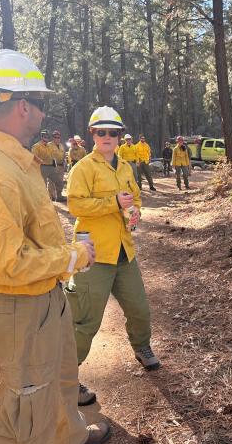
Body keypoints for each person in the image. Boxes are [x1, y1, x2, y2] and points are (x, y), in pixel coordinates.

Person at [0, 49, 111, 444]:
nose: (44, 114)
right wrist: (72, 258)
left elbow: (30, 234)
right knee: (25, 406)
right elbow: (4, 264)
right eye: (40, 104)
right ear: (23, 106)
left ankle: (70, 439)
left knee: (60, 379)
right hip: (20, 306)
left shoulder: (15, 160)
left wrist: (65, 250)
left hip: (45, 296)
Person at [66, 105, 161, 406]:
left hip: (124, 252)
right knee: (85, 322)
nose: (107, 136)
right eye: (101, 132)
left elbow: (136, 200)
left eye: (113, 132)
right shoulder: (82, 168)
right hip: (93, 255)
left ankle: (142, 347)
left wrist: (134, 213)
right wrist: (113, 203)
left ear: (120, 136)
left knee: (139, 309)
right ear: (92, 135)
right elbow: (76, 206)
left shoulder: (125, 167)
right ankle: (66, 378)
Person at [32, 130, 65, 201]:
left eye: (47, 136)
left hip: (51, 167)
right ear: (41, 137)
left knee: (59, 182)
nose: (46, 137)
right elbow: (33, 156)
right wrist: (39, 161)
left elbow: (53, 157)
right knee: (42, 185)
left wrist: (55, 166)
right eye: (44, 136)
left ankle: (59, 197)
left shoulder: (49, 146)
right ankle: (42, 200)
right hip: (42, 167)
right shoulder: (37, 146)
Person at [49, 130, 67, 201]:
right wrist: (53, 166)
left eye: (58, 137)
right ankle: (51, 196)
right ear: (53, 138)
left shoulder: (61, 145)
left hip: (61, 166)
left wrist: (64, 162)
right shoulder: (49, 145)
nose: (57, 138)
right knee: (51, 182)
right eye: (55, 137)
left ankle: (59, 196)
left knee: (60, 182)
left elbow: (64, 155)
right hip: (52, 166)